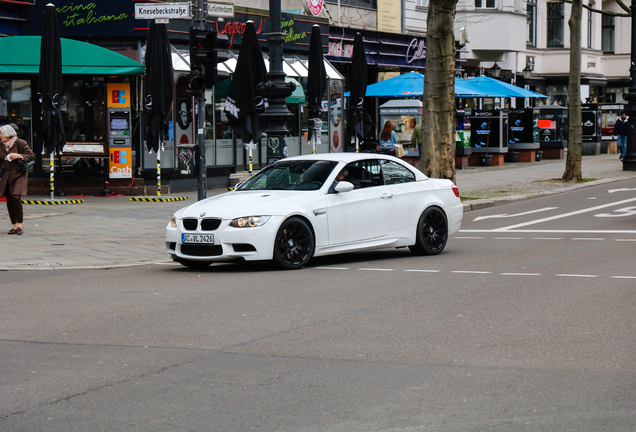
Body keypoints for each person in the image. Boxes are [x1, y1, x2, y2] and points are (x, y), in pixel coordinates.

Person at [0, 124, 35, 235]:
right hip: (6, 175)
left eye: (1, 134)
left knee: (16, 197)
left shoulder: (21, 143)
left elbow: (31, 156)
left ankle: (19, 224)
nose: (0, 136)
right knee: (9, 200)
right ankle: (14, 226)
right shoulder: (0, 145)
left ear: (7, 135)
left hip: (19, 174)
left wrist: (19, 156)